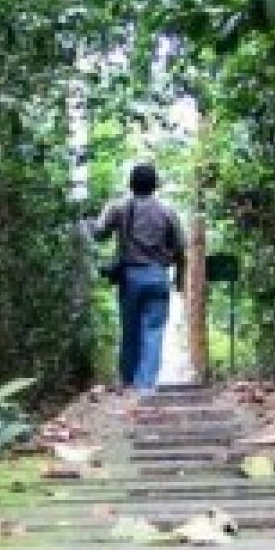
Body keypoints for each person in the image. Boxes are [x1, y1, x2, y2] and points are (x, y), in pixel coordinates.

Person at [89, 163, 186, 392]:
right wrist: (179, 279)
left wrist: (88, 221)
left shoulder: (118, 208)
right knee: (153, 331)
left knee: (130, 329)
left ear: (130, 184)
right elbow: (180, 249)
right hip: (158, 276)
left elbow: (99, 234)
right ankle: (146, 386)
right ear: (156, 185)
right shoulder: (168, 212)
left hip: (131, 276)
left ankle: (129, 382)